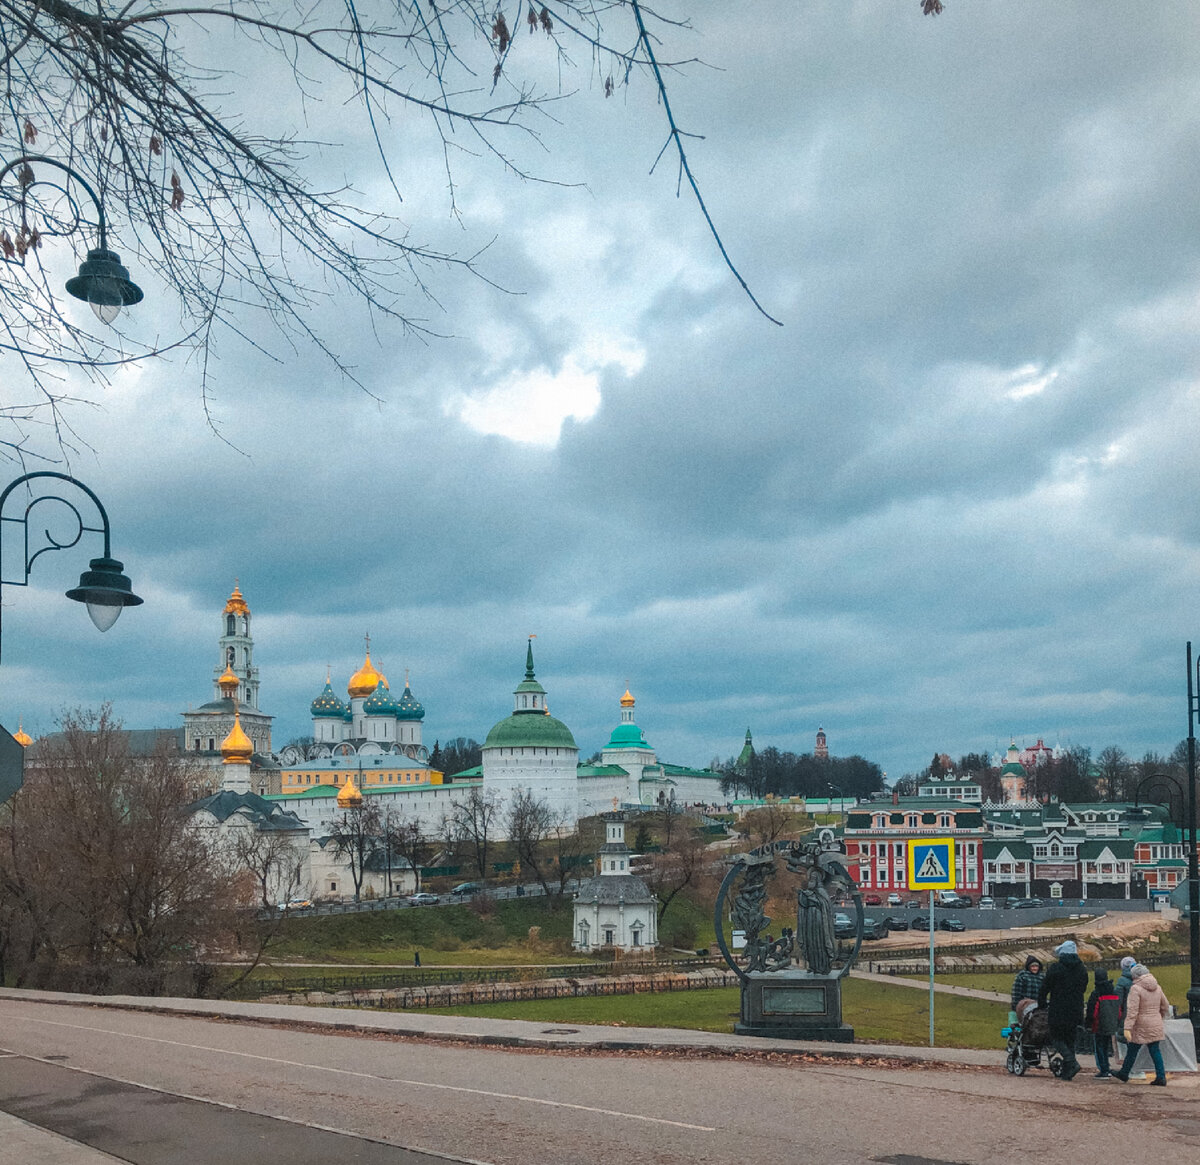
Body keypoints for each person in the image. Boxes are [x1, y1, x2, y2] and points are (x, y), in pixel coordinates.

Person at [1038, 939, 1089, 1081]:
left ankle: (1071, 1061)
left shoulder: (1056, 968)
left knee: (1056, 1037)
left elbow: (1045, 987)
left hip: (1059, 1008)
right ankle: (1068, 1071)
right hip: (1076, 1009)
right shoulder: (1081, 969)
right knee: (1069, 1039)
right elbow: (1084, 987)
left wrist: (1042, 1002)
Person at [1113, 963, 1170, 1086]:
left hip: (1141, 1024)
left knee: (1133, 1049)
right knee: (1155, 1050)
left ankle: (1124, 1072)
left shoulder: (1136, 989)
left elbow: (1132, 1010)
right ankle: (1161, 1076)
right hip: (1155, 1021)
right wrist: (1160, 1016)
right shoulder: (1157, 987)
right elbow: (1165, 1005)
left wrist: (1127, 1027)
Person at [1085, 968, 1121, 1078]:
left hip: (1098, 1024)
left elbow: (1092, 1010)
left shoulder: (1096, 993)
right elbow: (1118, 1009)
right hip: (1111, 1023)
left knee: (1099, 1046)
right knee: (1106, 1045)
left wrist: (1089, 1023)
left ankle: (1103, 1069)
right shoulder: (1114, 991)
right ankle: (1107, 1067)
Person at [1010, 954, 1044, 1024]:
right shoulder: (1022, 976)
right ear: (1029, 967)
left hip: (1038, 1005)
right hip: (1025, 1005)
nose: (1035, 968)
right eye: (1033, 966)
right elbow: (1016, 991)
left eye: (1036, 966)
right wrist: (1015, 1005)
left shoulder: (1042, 976)